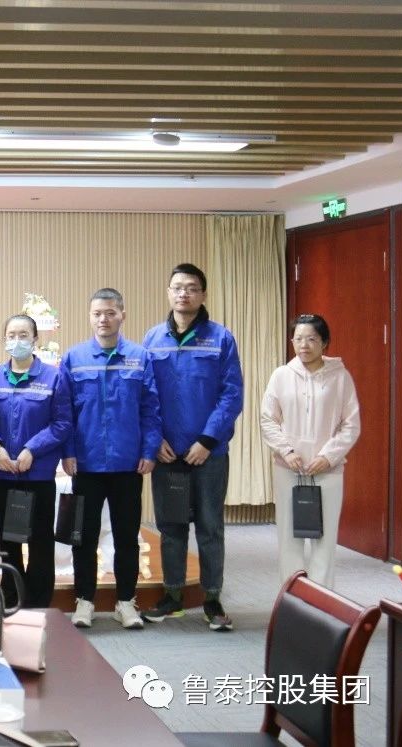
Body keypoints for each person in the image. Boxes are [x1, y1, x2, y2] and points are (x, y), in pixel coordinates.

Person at [142, 262, 243, 631]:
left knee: (210, 527)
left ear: (203, 294)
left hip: (208, 454)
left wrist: (207, 440)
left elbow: (231, 395)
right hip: (167, 453)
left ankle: (212, 600)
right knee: (170, 528)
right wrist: (156, 440)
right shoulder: (152, 339)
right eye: (177, 287)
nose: (183, 293)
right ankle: (172, 596)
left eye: (191, 288)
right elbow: (146, 395)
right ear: (169, 292)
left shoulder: (220, 338)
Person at [62, 289, 161, 630]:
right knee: (84, 537)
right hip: (86, 463)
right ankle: (85, 600)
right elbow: (64, 412)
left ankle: (126, 601)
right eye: (97, 314)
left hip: (127, 464)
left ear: (122, 315)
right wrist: (68, 451)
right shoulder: (74, 358)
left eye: (110, 313)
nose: (103, 319)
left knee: (126, 537)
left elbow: (150, 409)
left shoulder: (139, 357)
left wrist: (149, 450)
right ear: (90, 317)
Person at [259, 314, 360, 589]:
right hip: (288, 469)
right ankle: (292, 599)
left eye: (312, 339)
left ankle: (322, 601)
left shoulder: (340, 377)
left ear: (324, 342)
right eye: (299, 339)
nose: (304, 345)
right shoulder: (281, 376)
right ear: (292, 341)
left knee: (324, 540)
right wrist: (287, 451)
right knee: (289, 538)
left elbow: (351, 424)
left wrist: (328, 456)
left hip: (328, 471)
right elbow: (268, 419)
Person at [0, 314, 72, 609]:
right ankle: (11, 595)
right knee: (8, 540)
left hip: (38, 473)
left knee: (40, 542)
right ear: (4, 340)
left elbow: (62, 423)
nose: (17, 340)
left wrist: (31, 450)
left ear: (35, 340)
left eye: (23, 335)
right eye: (11, 335)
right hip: (2, 473)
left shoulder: (53, 377)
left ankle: (37, 602)